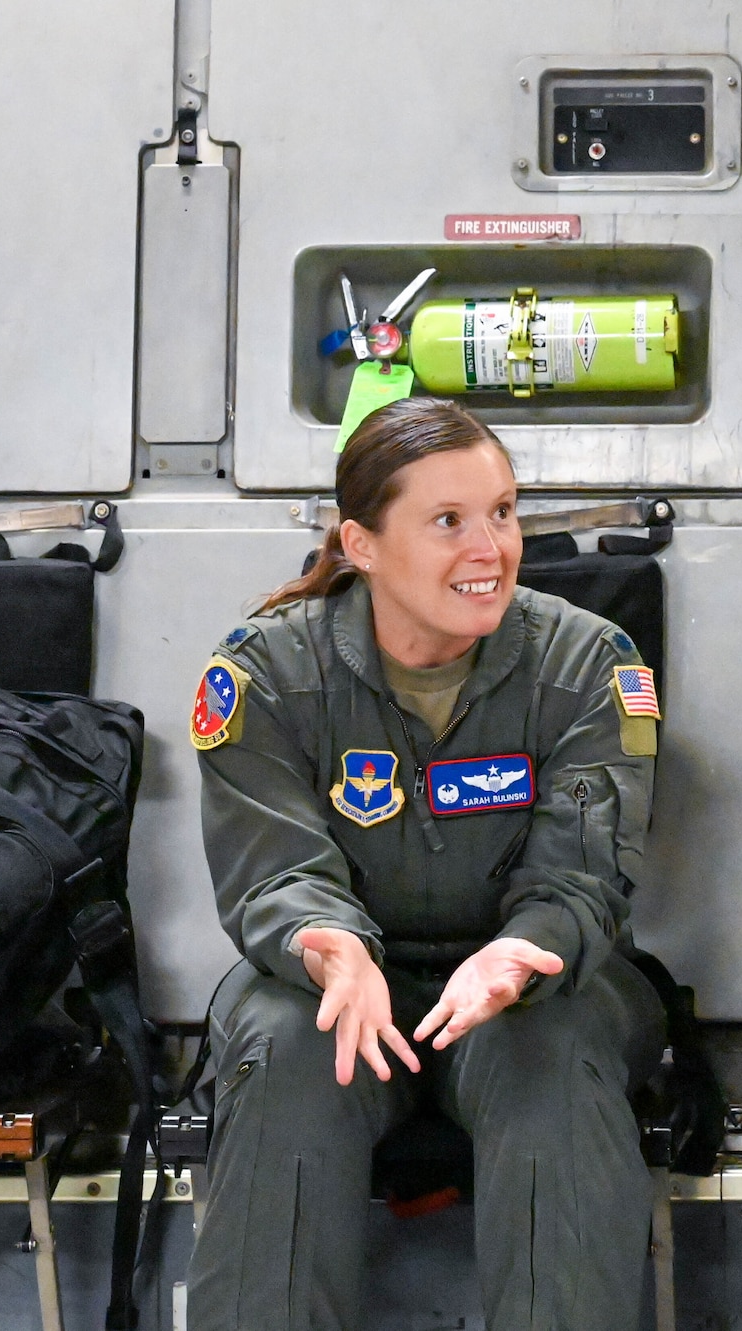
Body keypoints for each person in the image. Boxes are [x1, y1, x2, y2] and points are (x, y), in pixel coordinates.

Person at [185, 396, 665, 1331]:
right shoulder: (266, 675)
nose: (489, 547)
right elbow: (273, 866)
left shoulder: (586, 665)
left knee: (550, 1046)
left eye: (502, 512)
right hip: (326, 979)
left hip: (531, 976)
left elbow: (581, 873)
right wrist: (331, 948)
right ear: (360, 543)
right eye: (448, 521)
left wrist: (523, 951)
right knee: (293, 1048)